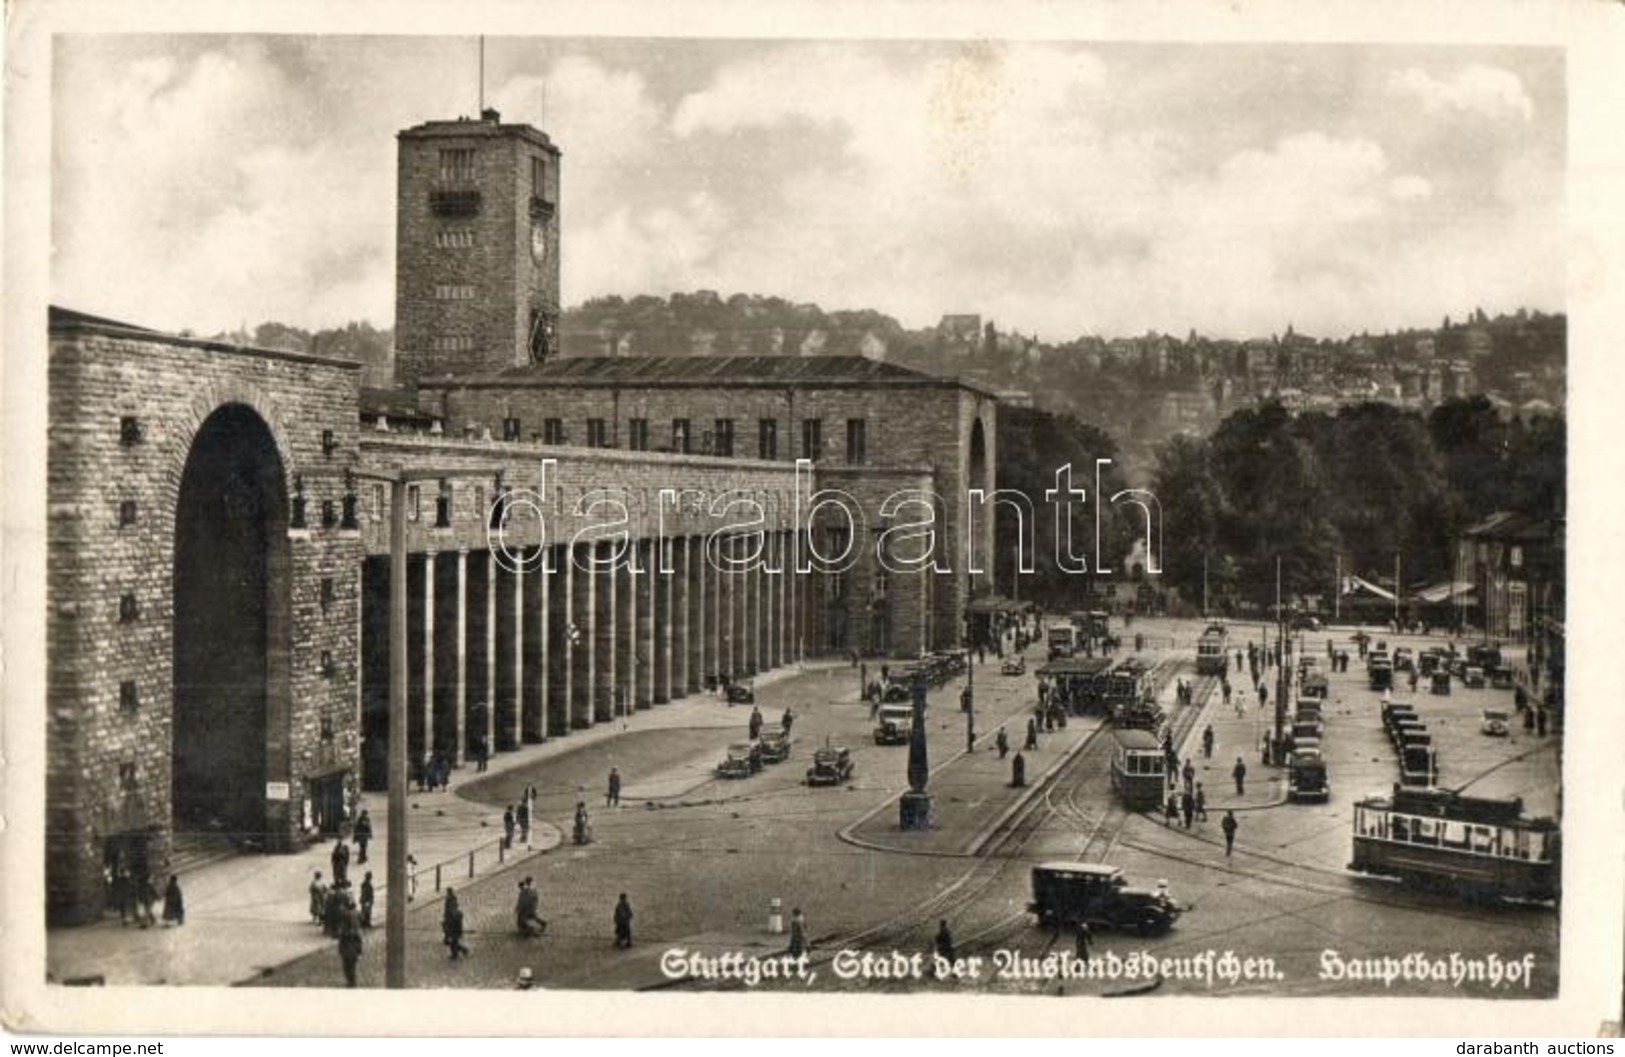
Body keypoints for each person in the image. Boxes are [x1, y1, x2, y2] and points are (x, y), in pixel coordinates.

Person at [337, 908, 363, 988]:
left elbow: (341, 942)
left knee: (347, 967)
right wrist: (359, 951)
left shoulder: (344, 932)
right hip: (353, 951)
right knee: (352, 967)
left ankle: (350, 981)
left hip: (346, 952)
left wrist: (340, 950)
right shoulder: (356, 932)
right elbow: (359, 941)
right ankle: (352, 981)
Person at [442, 888, 469, 959]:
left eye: (447, 893)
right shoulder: (451, 900)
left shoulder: (451, 901)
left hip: (453, 925)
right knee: (452, 941)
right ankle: (461, 951)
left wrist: (448, 921)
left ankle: (457, 953)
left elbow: (451, 912)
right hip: (451, 923)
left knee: (452, 941)